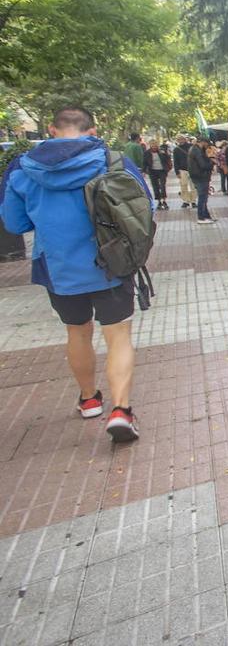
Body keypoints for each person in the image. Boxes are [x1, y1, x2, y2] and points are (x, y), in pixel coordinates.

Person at [0, 107, 151, 442]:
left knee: (77, 332)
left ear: (52, 129)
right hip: (112, 263)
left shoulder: (21, 168)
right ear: (93, 130)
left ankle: (89, 400)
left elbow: (14, 223)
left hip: (57, 268)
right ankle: (121, 410)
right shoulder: (112, 162)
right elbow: (143, 207)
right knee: (118, 336)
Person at [187, 137, 217, 224]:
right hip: (201, 176)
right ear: (203, 142)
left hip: (198, 176)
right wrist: (211, 162)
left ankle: (206, 216)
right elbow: (203, 165)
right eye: (207, 144)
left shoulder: (194, 149)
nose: (207, 146)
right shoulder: (197, 151)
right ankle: (201, 217)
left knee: (203, 197)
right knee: (202, 197)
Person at [145, 139, 172, 210]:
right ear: (150, 145)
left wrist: (168, 168)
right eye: (152, 144)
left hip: (162, 171)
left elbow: (167, 159)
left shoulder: (161, 151)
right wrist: (144, 170)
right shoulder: (147, 153)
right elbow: (144, 162)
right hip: (152, 171)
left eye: (155, 144)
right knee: (155, 186)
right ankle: (159, 201)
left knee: (163, 185)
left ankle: (164, 200)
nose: (154, 146)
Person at [173, 136, 197, 209]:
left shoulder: (191, 147)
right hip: (182, 170)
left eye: (182, 139)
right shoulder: (176, 149)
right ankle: (186, 201)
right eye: (179, 139)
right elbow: (175, 161)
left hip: (192, 169)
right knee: (183, 186)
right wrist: (177, 172)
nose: (181, 141)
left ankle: (193, 201)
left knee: (193, 186)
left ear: (185, 139)